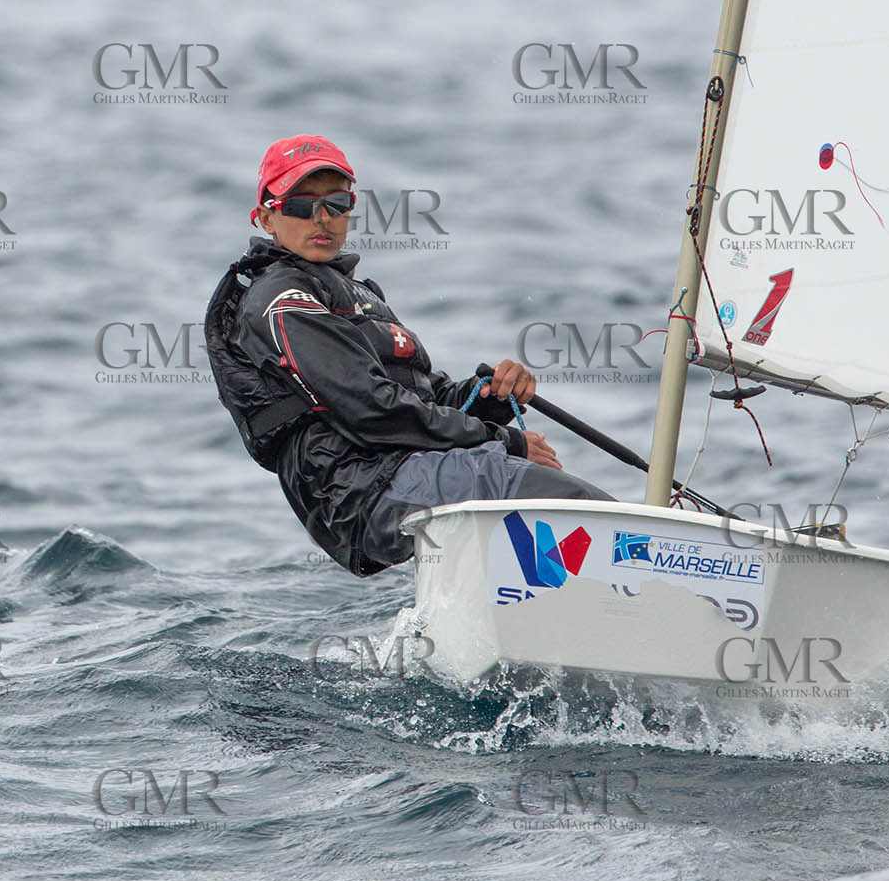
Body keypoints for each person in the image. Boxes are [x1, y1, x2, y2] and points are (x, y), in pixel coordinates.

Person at [204, 134, 613, 576]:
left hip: (399, 468)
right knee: (558, 499)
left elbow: (421, 399)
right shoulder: (282, 298)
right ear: (267, 216)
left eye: (337, 204)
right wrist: (503, 439)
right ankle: (632, 576)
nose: (322, 218)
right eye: (302, 205)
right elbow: (370, 409)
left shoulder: (356, 294)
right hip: (358, 486)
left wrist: (488, 396)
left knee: (546, 497)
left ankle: (567, 597)